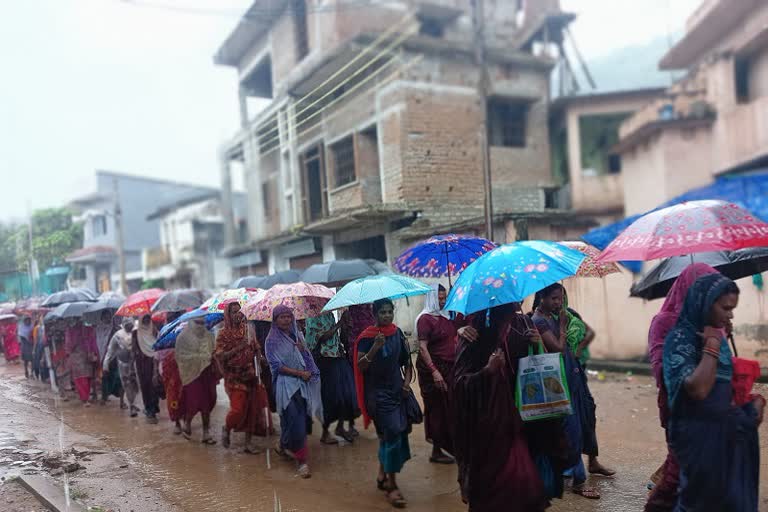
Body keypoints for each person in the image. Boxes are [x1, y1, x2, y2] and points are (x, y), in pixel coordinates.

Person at [453, 303, 568, 511]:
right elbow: (460, 383)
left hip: (524, 416)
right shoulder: (474, 330)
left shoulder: (523, 322)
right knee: (497, 485)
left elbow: (535, 364)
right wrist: (487, 371)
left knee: (525, 482)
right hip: (490, 423)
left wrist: (537, 344)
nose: (520, 298)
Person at [663, 274, 764, 511]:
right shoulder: (680, 339)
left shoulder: (717, 334)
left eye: (733, 309)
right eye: (726, 308)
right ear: (705, 303)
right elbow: (698, 389)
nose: (730, 315)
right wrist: (712, 346)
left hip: (727, 435)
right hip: (700, 439)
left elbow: (724, 387)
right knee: (701, 503)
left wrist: (750, 405)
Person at [645, 263, 718, 512]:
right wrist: (702, 347)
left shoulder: (713, 321)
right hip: (682, 411)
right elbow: (662, 372)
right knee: (681, 476)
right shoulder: (663, 323)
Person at [531, 283, 606, 500]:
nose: (559, 303)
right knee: (569, 431)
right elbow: (556, 348)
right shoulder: (539, 321)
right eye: (554, 298)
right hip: (556, 382)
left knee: (578, 425)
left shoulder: (554, 316)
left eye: (561, 298)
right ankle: (579, 482)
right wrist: (563, 326)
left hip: (570, 378)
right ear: (542, 298)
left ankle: (570, 473)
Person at [354, 299, 418, 508]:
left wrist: (407, 384)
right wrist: (375, 348)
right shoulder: (367, 337)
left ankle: (382, 474)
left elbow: (407, 363)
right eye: (383, 312)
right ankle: (392, 486)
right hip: (377, 394)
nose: (387, 315)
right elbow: (361, 367)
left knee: (389, 435)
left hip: (397, 390)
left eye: (390, 311)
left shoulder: (397, 333)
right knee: (392, 434)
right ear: (375, 314)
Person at [265, 305, 323, 478]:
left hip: (302, 384)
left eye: (288, 317)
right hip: (285, 385)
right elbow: (276, 366)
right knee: (294, 419)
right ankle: (302, 461)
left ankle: (283, 445)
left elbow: (307, 358)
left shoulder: (297, 335)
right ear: (275, 320)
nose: (286, 320)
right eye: (282, 317)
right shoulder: (271, 340)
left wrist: (302, 349)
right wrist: (299, 373)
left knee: (301, 419)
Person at [215, 302, 272, 454]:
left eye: (239, 311)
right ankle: (227, 428)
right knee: (238, 409)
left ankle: (248, 443)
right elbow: (220, 356)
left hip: (250, 374)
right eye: (234, 312)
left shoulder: (248, 330)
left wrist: (262, 359)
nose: (238, 315)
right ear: (228, 314)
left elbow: (256, 348)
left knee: (253, 408)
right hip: (233, 376)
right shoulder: (222, 334)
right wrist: (237, 349)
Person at [415, 284, 456, 464]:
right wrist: (434, 371)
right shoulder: (425, 319)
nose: (443, 301)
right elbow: (423, 348)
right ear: (431, 298)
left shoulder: (446, 317)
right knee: (437, 409)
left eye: (445, 297)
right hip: (432, 369)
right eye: (439, 298)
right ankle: (437, 450)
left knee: (449, 408)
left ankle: (446, 445)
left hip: (448, 367)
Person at [305, 311, 359, 444]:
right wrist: (339, 323)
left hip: (336, 356)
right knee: (329, 396)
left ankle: (340, 427)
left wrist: (344, 327)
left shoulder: (329, 315)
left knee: (344, 393)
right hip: (324, 360)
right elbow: (322, 337)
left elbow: (335, 337)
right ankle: (325, 432)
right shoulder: (312, 316)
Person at [175, 317, 219, 444]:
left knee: (208, 401)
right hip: (191, 375)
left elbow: (214, 351)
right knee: (194, 401)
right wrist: (199, 357)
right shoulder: (183, 338)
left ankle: (206, 433)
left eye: (202, 323)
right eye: (197, 322)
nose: (200, 325)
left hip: (206, 374)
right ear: (191, 322)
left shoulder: (209, 336)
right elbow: (180, 356)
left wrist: (213, 356)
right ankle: (188, 423)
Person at [104, 320, 138, 416]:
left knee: (135, 385)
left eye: (130, 323)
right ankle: (132, 406)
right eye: (127, 324)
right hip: (123, 364)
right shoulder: (118, 335)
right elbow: (110, 350)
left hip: (136, 364)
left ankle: (134, 403)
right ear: (123, 325)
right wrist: (106, 363)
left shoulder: (137, 332)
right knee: (127, 385)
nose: (129, 325)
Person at [134, 314, 161, 424]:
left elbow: (159, 344)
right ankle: (148, 408)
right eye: (143, 319)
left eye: (147, 318)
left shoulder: (154, 330)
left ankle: (154, 407)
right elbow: (134, 349)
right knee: (145, 386)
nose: (146, 320)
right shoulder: (135, 332)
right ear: (140, 320)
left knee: (154, 385)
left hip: (154, 361)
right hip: (142, 363)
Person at [65, 319, 99, 406]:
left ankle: (86, 397)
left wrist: (93, 352)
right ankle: (85, 398)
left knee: (87, 378)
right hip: (78, 357)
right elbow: (69, 346)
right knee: (81, 378)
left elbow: (93, 342)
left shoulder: (89, 330)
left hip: (86, 357)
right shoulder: (71, 331)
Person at [95, 311, 122, 405]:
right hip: (103, 356)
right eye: (105, 317)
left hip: (115, 357)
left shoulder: (115, 328)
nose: (107, 319)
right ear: (101, 318)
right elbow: (98, 343)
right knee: (105, 377)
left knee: (118, 378)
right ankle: (104, 397)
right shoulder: (99, 329)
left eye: (109, 317)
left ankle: (122, 401)